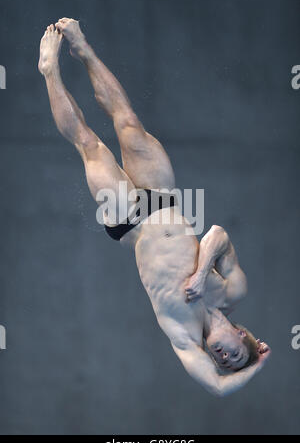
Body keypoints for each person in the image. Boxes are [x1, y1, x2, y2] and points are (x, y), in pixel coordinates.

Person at [38, 19, 271, 397]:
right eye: (233, 355)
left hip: (129, 222)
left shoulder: (184, 338)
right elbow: (218, 235)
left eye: (225, 362)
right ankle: (83, 50)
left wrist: (258, 364)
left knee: (88, 144)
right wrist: (199, 274)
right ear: (241, 334)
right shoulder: (233, 292)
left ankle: (49, 71)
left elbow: (219, 388)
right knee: (127, 119)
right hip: (163, 199)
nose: (223, 360)